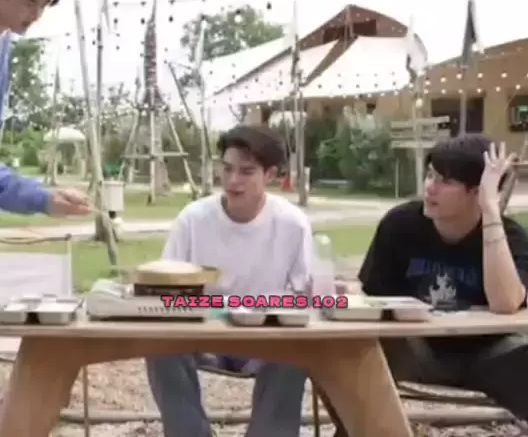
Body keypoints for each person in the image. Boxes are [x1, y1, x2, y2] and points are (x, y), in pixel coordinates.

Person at [328, 134, 528, 436]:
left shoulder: (508, 237)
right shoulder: (400, 224)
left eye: (445, 181)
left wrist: (490, 211)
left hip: (490, 352)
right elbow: (374, 298)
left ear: (477, 192)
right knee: (354, 352)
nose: (430, 188)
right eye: (431, 175)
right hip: (416, 347)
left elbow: (506, 303)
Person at [146, 124, 334, 437]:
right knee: (159, 344)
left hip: (266, 339)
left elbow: (304, 297)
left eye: (246, 172)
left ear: (269, 175)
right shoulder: (193, 219)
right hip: (199, 335)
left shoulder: (292, 223)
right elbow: (165, 287)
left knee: (297, 349)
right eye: (227, 169)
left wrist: (320, 292)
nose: (233, 181)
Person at [0, 0, 92, 217]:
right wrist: (39, 198)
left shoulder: (4, 46)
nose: (36, 16)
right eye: (30, 3)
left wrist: (45, 198)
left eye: (42, 7)